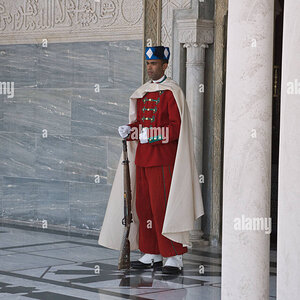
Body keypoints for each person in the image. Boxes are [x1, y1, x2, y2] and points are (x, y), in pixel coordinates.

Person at [98, 46, 203, 275]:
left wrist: (152, 135)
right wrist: (130, 130)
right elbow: (140, 127)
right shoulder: (143, 92)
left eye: (154, 63)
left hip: (163, 160)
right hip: (144, 159)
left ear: (165, 65)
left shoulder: (172, 92)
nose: (150, 67)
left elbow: (176, 129)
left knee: (163, 207)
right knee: (144, 208)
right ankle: (151, 252)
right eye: (148, 64)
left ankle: (173, 256)